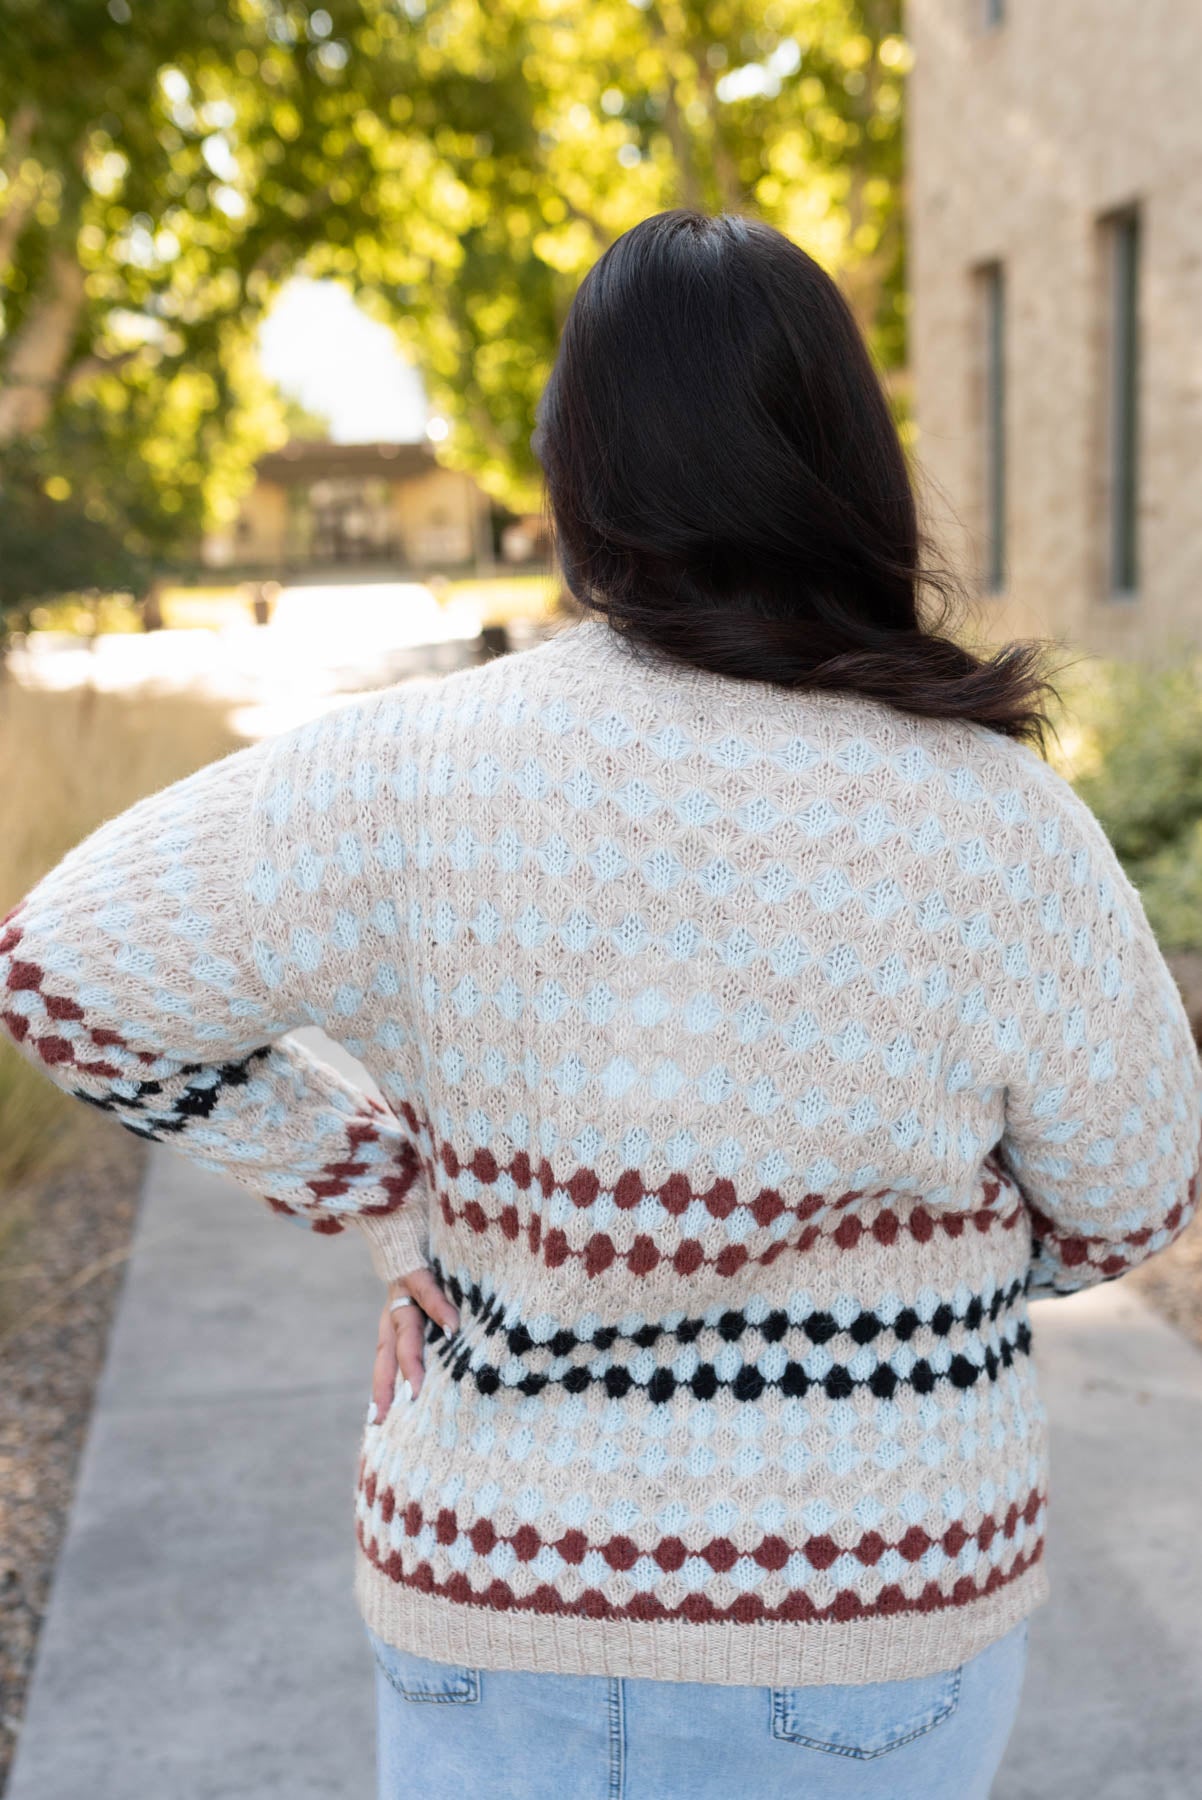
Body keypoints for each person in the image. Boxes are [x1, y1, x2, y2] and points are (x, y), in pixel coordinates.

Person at [3, 209, 1199, 1800]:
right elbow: (1135, 1194)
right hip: (868, 1615)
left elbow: (68, 968)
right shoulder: (989, 817)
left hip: (496, 1601)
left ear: (576, 468)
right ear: (849, 463)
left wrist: (391, 1201)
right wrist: (919, 1267)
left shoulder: (418, 766)